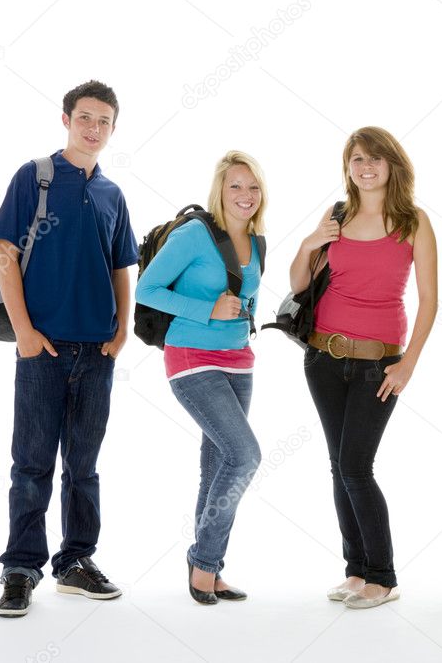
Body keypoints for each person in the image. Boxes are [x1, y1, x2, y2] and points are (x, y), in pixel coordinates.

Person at [0, 80, 137, 617]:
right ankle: (20, 569)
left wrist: (122, 330)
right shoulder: (34, 177)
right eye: (85, 118)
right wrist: (25, 333)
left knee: (84, 465)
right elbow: (5, 254)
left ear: (113, 128)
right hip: (43, 350)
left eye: (103, 121)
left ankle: (75, 561)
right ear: (66, 120)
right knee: (30, 464)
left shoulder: (112, 194)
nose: (93, 129)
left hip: (97, 351)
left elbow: (123, 265)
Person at [290, 126, 437, 609]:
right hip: (323, 358)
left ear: (393, 164)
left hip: (380, 364)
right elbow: (298, 283)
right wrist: (312, 240)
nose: (365, 167)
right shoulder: (336, 215)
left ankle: (384, 576)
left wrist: (408, 364)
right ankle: (356, 570)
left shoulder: (413, 221)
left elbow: (430, 301)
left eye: (375, 158)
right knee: (338, 466)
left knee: (356, 465)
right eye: (356, 159)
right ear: (347, 166)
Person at [135, 151, 267, 605]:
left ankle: (209, 567)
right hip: (192, 356)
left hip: (238, 360)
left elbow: (243, 300)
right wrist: (207, 309)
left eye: (253, 187)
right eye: (235, 186)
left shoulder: (257, 240)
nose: (245, 195)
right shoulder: (194, 235)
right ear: (220, 190)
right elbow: (147, 289)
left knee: (218, 465)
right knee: (245, 455)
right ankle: (204, 564)